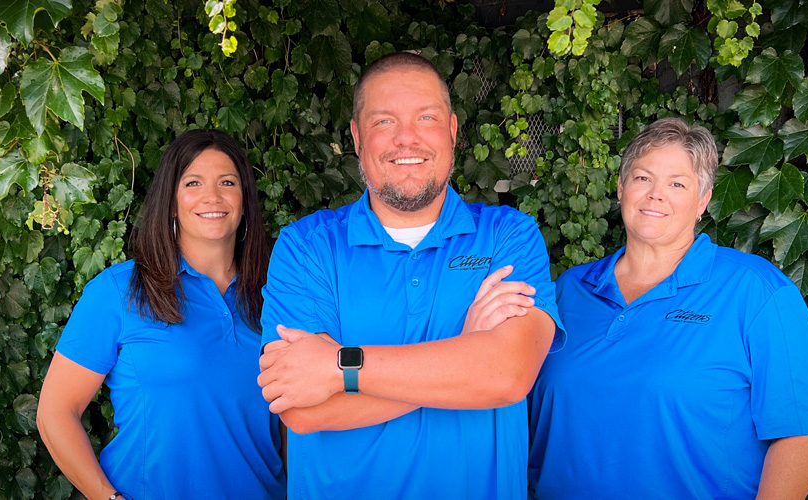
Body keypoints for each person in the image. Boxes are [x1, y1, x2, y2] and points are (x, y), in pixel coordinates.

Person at [255, 52, 563, 499]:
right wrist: (466, 353)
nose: (407, 139)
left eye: (426, 117)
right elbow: (301, 410)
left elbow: (507, 376)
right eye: (384, 122)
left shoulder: (507, 236)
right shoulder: (308, 246)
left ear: (453, 131)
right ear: (358, 137)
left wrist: (339, 367)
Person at [527, 118, 808, 499]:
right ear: (621, 188)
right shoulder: (568, 291)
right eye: (643, 178)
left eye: (677, 183)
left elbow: (801, 436)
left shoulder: (756, 290)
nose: (657, 194)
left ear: (702, 201)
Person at [37, 130, 286, 500]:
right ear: (171, 202)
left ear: (245, 200)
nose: (212, 196)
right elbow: (56, 411)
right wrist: (106, 497)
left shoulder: (278, 297)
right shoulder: (120, 291)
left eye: (228, 182)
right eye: (193, 182)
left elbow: (289, 423)